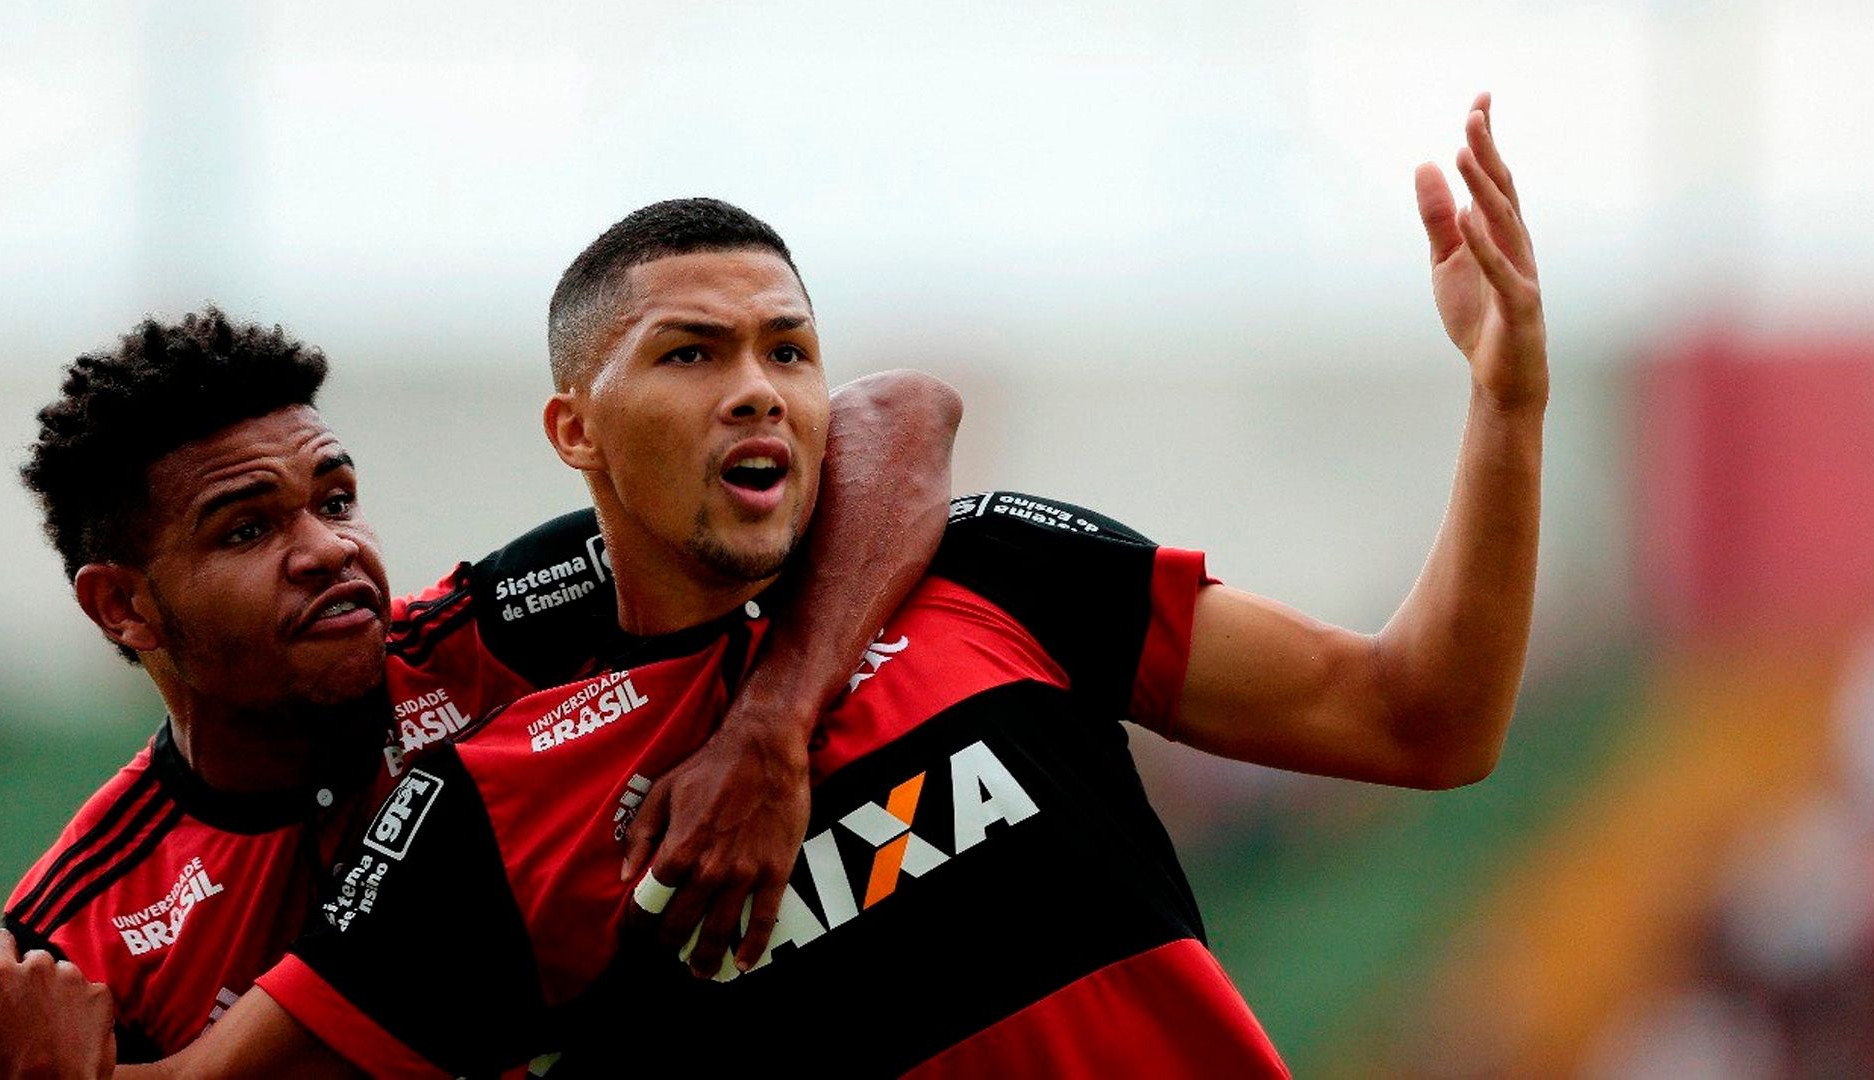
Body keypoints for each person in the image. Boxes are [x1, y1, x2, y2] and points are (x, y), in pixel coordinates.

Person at [129, 92, 1546, 1077]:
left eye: (788, 350)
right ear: (575, 431)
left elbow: (1422, 720)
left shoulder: (996, 566)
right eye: (691, 354)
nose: (757, 390)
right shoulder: (500, 806)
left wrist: (1505, 400)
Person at [0, 308, 959, 1064]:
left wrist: (770, 726)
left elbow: (896, 414)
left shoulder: (484, 631)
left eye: (337, 500)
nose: (329, 549)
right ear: (121, 605)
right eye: (247, 530)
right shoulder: (71, 936)